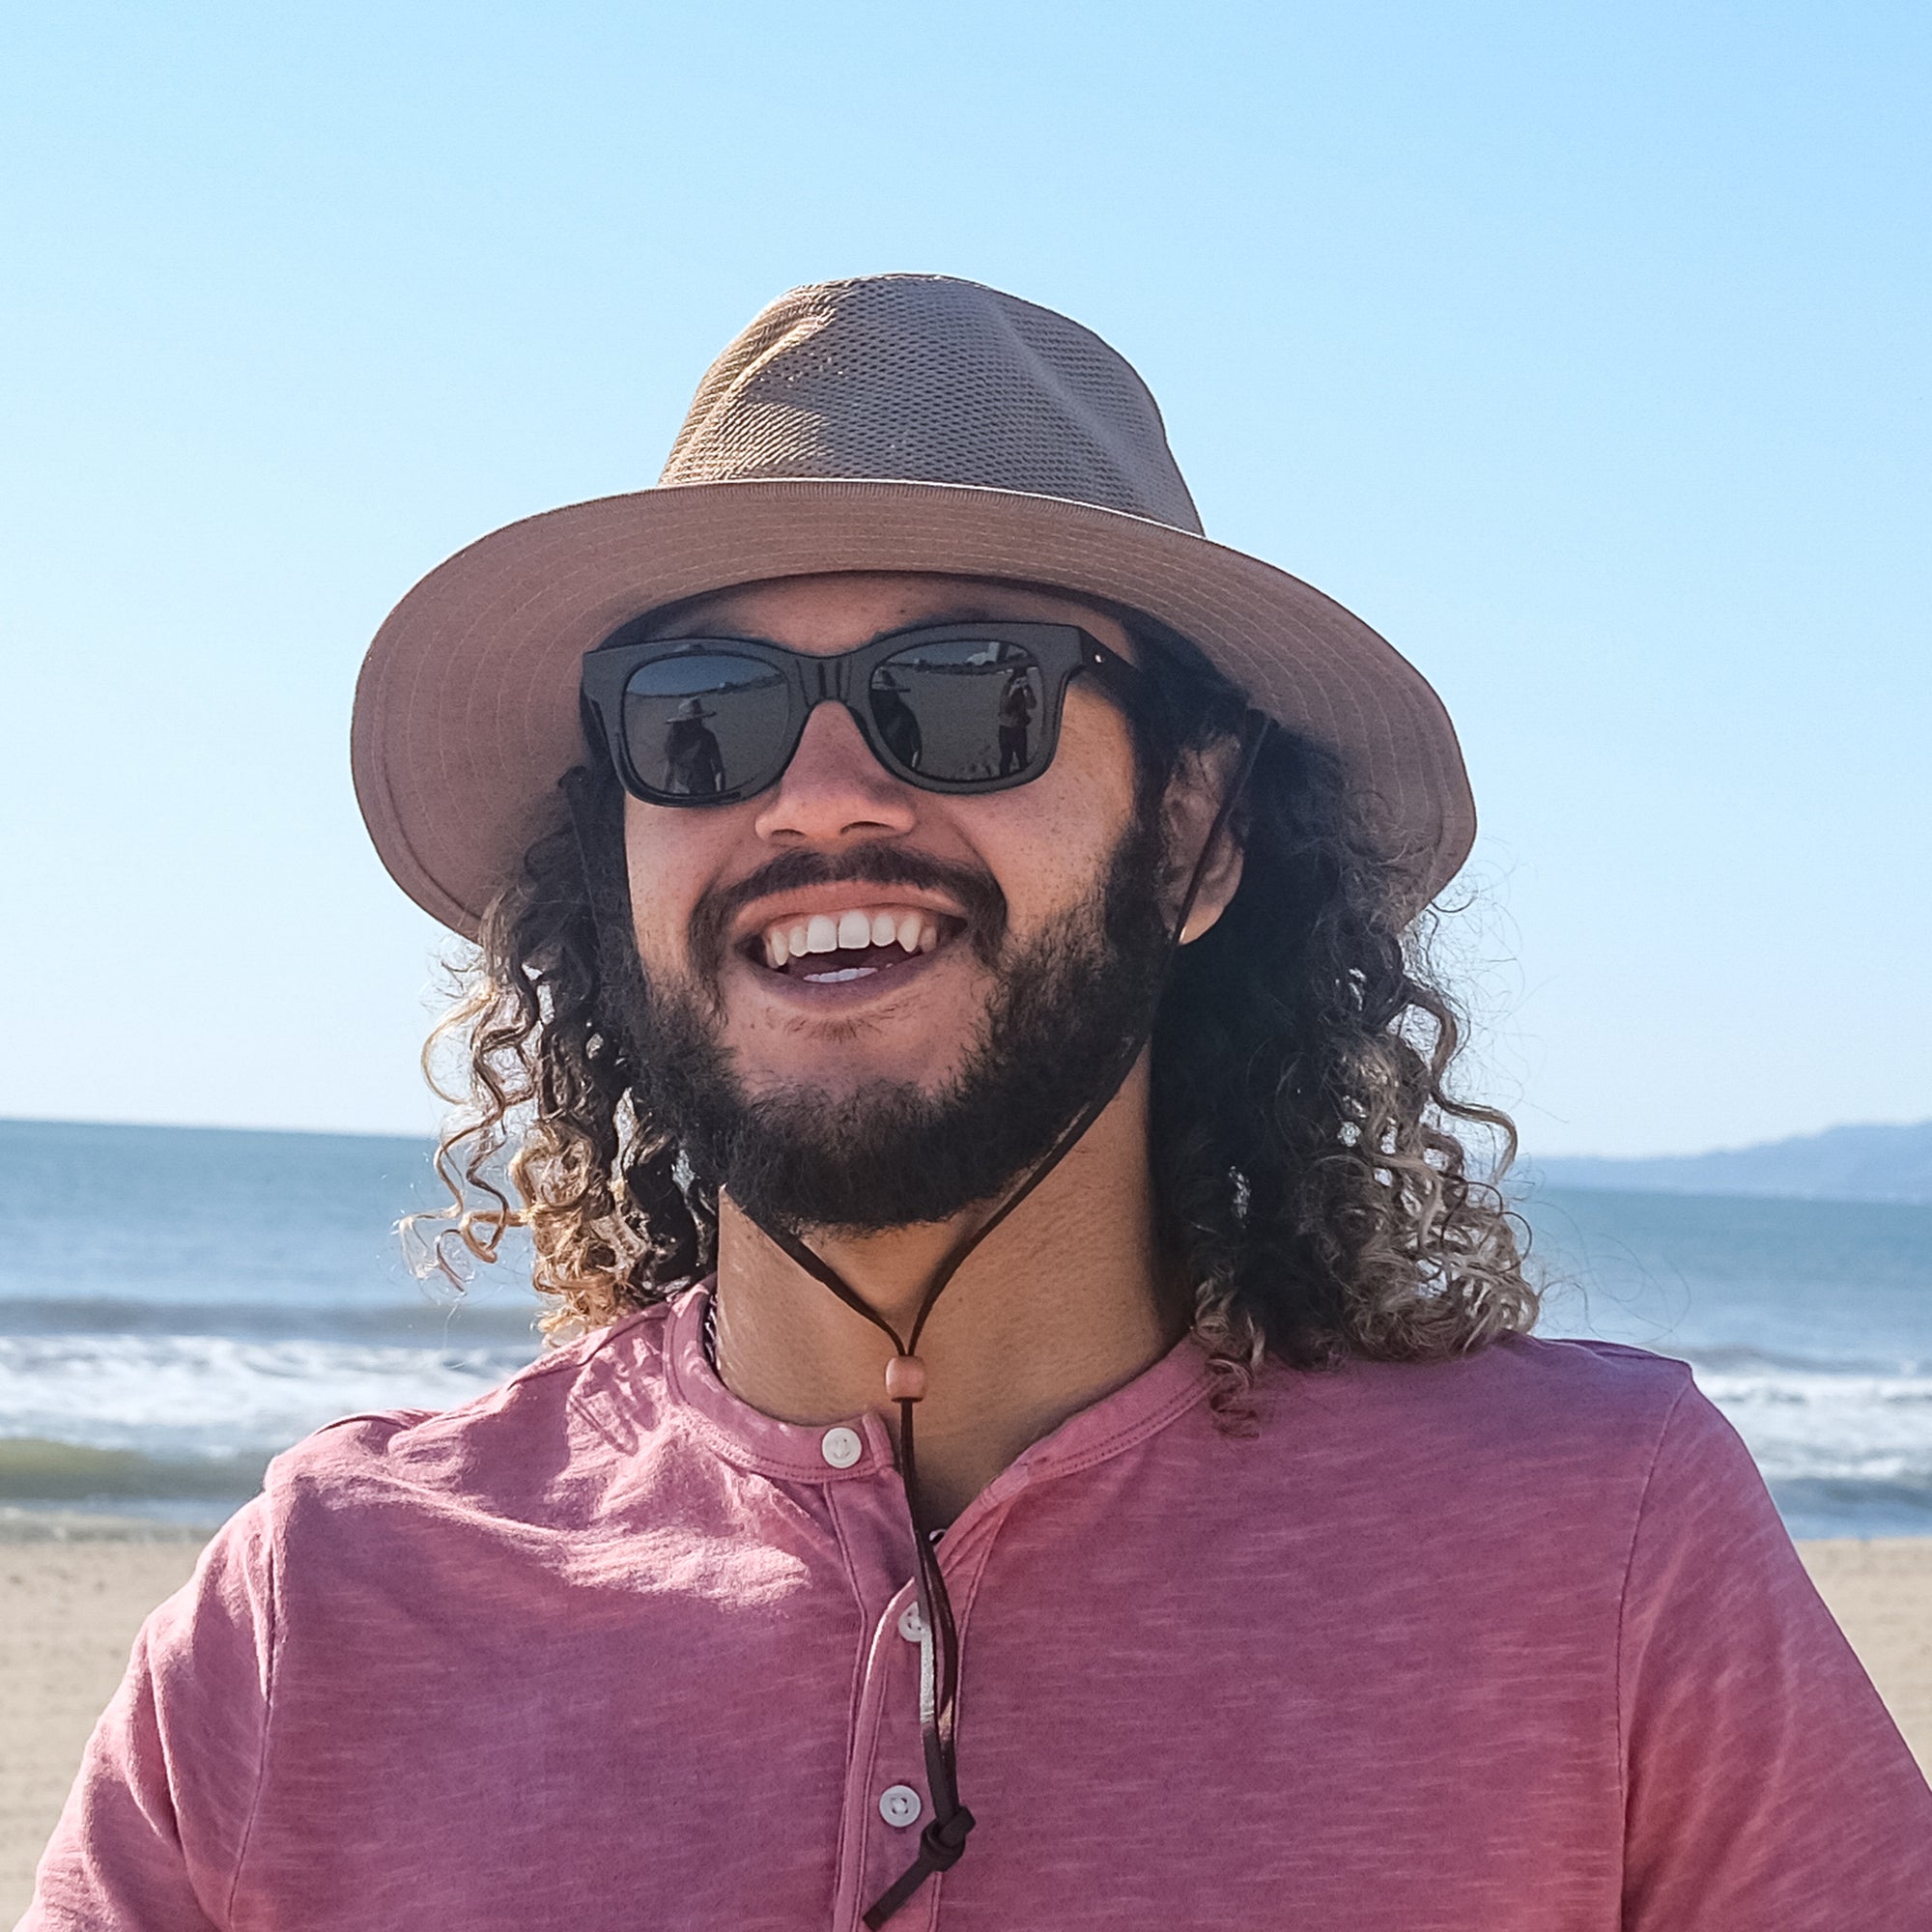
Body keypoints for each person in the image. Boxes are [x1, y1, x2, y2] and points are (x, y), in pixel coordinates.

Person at [25, 274, 1931, 1929]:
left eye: (965, 692)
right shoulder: (324, 1605)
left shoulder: (1596, 1548)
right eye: (702, 714)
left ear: (1194, 830)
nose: (817, 798)